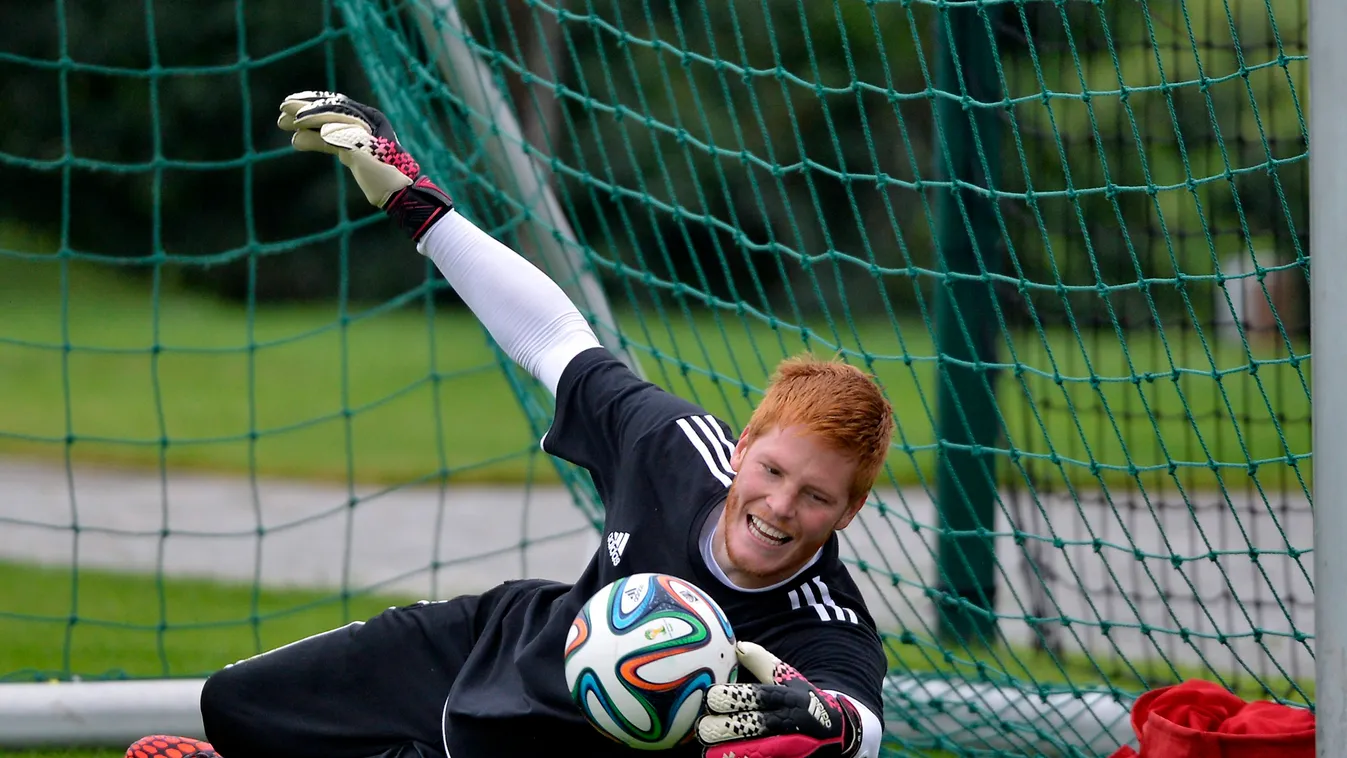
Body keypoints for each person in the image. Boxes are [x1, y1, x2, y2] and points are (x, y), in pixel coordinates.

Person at [129, 91, 896, 758]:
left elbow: (858, 715)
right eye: (771, 472)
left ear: (849, 511)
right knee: (235, 705)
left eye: (816, 498)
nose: (779, 507)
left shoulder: (819, 618)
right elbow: (553, 338)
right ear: (741, 448)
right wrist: (415, 204)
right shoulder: (673, 444)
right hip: (497, 646)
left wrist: (835, 726)